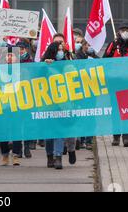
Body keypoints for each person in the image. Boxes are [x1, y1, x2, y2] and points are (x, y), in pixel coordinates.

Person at [104, 23, 128, 147]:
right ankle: (116, 137)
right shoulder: (113, 45)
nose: (125, 32)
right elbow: (105, 60)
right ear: (118, 32)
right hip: (115, 84)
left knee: (127, 111)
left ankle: (126, 137)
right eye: (122, 30)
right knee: (116, 112)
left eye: (127, 29)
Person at [42, 40, 77, 170]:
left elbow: (75, 77)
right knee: (49, 134)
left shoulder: (68, 63)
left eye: (62, 49)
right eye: (58, 49)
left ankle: (58, 157)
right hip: (48, 103)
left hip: (64, 104)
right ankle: (49, 156)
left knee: (60, 131)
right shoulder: (44, 64)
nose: (60, 52)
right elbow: (36, 77)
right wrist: (44, 66)